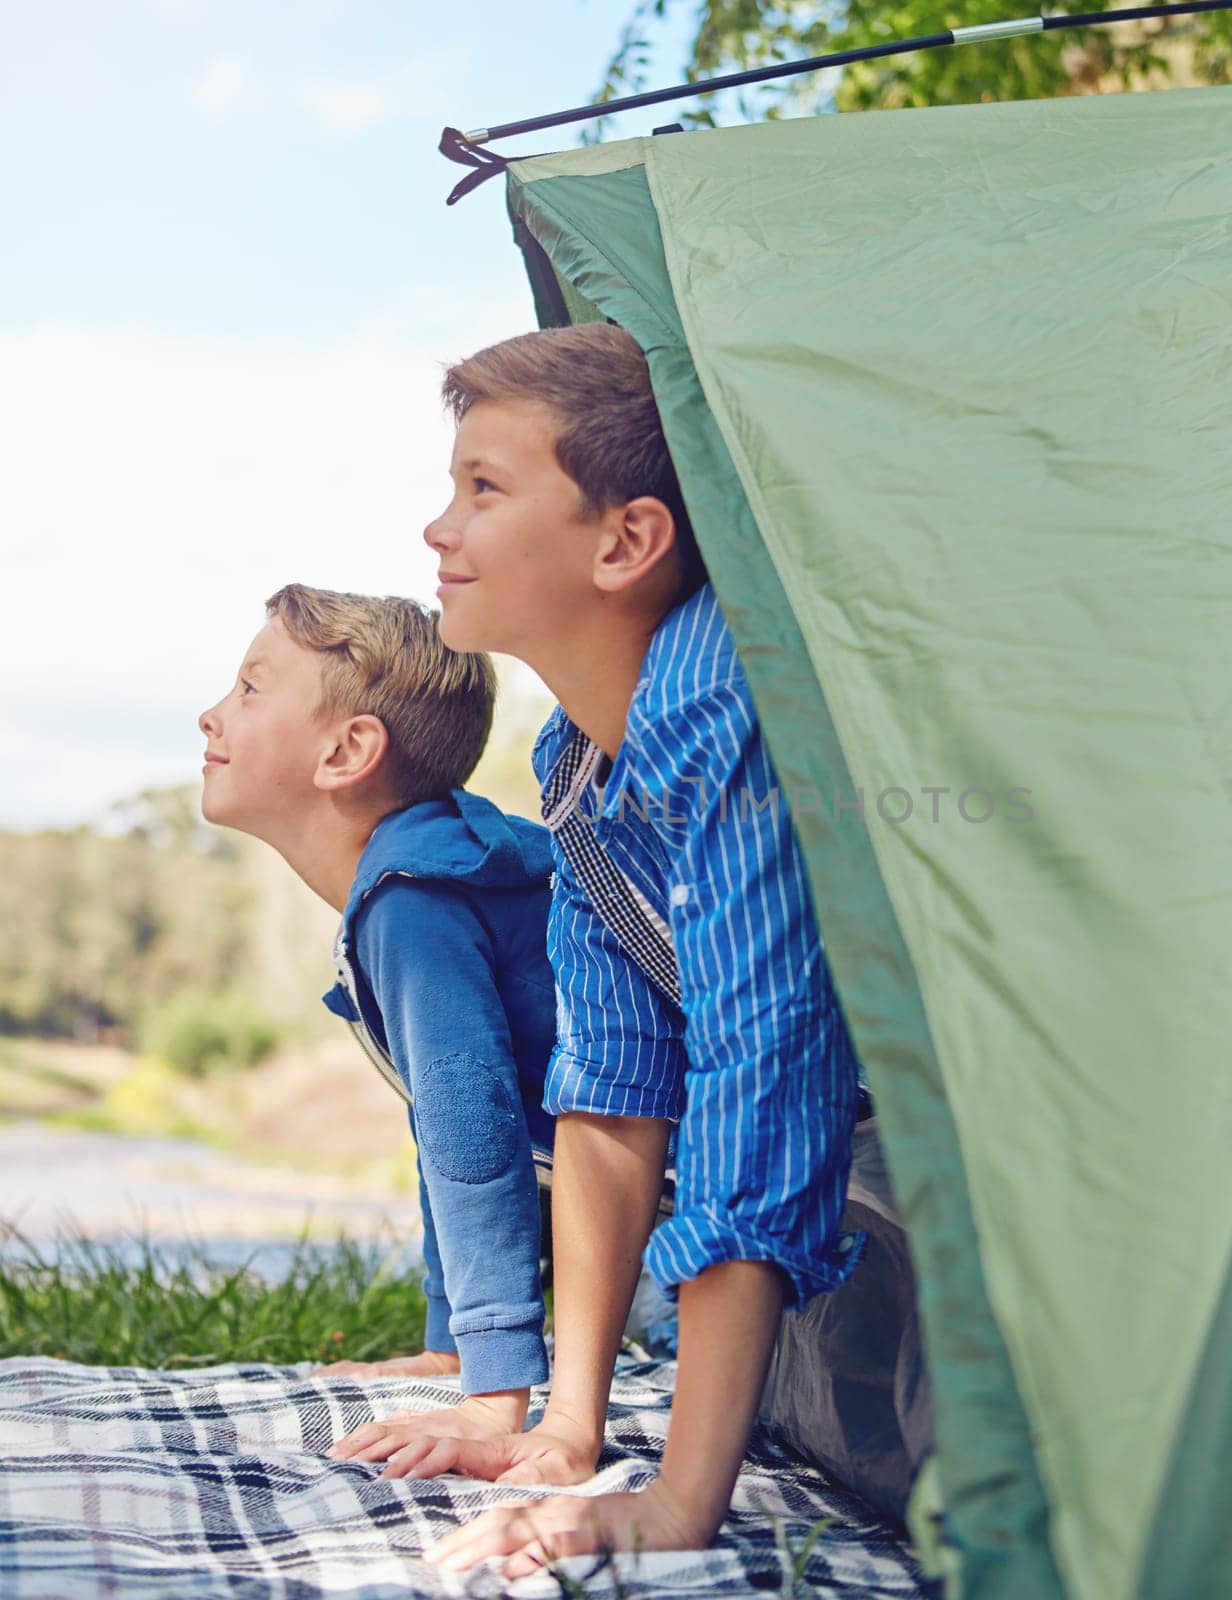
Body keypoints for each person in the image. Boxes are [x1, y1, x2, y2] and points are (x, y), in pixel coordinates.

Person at [329, 325, 865, 1575]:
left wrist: (679, 1503)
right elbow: (609, 1082)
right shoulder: (575, 762)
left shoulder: (723, 705)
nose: (437, 530)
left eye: (483, 487)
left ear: (624, 542)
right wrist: (565, 1431)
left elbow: (757, 1075)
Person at [198, 583, 557, 1441]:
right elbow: (451, 1131)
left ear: (348, 751)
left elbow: (475, 1134)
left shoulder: (415, 899)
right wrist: (452, 1349)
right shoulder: (415, 877)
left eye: (250, 687)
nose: (211, 716)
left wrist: (494, 1397)